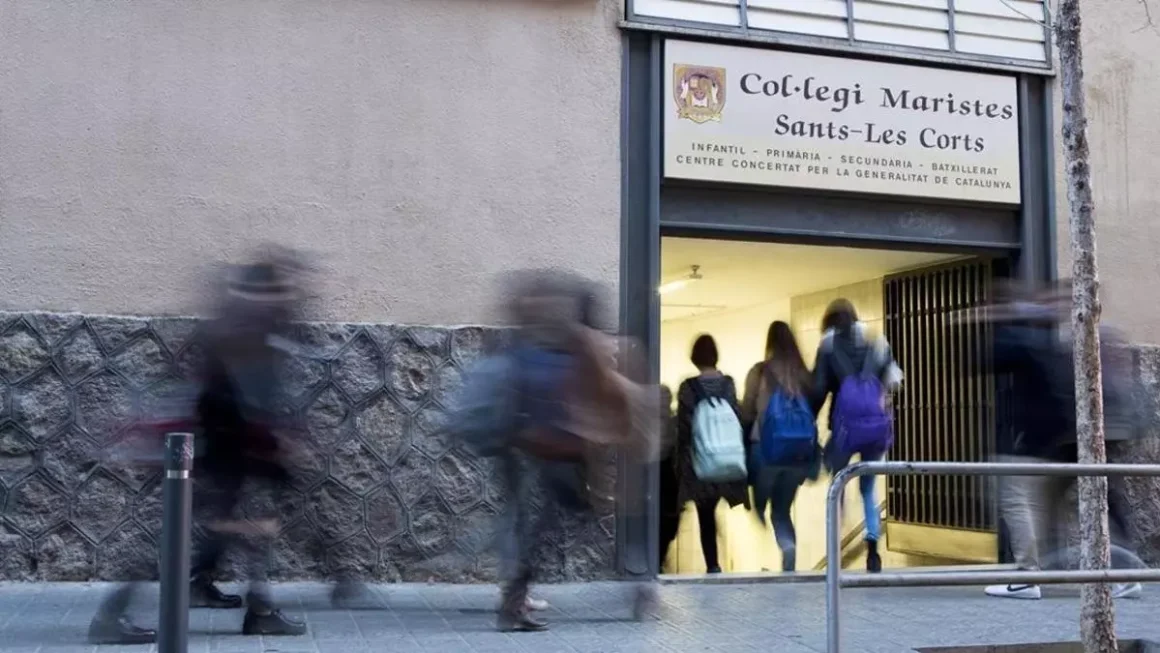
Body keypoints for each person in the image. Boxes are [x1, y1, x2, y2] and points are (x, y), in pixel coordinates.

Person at [814, 300, 902, 574]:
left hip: (844, 429)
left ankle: (834, 546)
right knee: (867, 488)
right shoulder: (877, 343)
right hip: (875, 430)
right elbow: (895, 381)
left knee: (836, 485)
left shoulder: (828, 348)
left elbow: (818, 388)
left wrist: (809, 420)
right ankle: (873, 550)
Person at [741, 321, 821, 572]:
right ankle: (788, 548)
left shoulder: (760, 371)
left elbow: (746, 410)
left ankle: (759, 508)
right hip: (798, 455)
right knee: (783, 511)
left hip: (766, 450)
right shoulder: (804, 375)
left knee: (759, 494)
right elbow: (813, 409)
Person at [675, 334, 750, 574]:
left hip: (701, 461)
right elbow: (737, 418)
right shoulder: (728, 384)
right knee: (716, 508)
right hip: (727, 458)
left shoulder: (688, 388)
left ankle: (713, 565)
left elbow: (684, 429)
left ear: (695, 358)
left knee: (704, 515)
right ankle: (718, 556)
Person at [657, 384, 681, 572]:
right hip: (669, 477)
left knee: (665, 521)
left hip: (661, 477)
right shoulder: (673, 423)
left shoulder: (647, 422)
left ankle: (658, 559)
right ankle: (659, 559)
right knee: (668, 522)